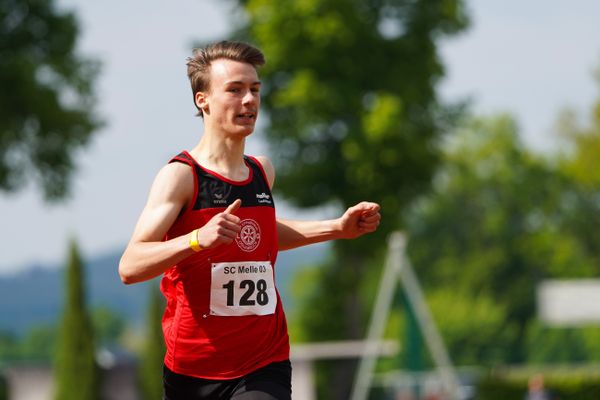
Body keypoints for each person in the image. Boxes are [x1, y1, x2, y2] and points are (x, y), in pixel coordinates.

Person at [119, 40, 381, 400]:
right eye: (235, 90)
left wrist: (337, 227)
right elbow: (130, 266)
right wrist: (197, 238)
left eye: (255, 90)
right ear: (203, 100)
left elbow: (261, 234)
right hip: (194, 371)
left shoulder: (261, 171)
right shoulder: (182, 177)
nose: (249, 100)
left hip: (264, 362)